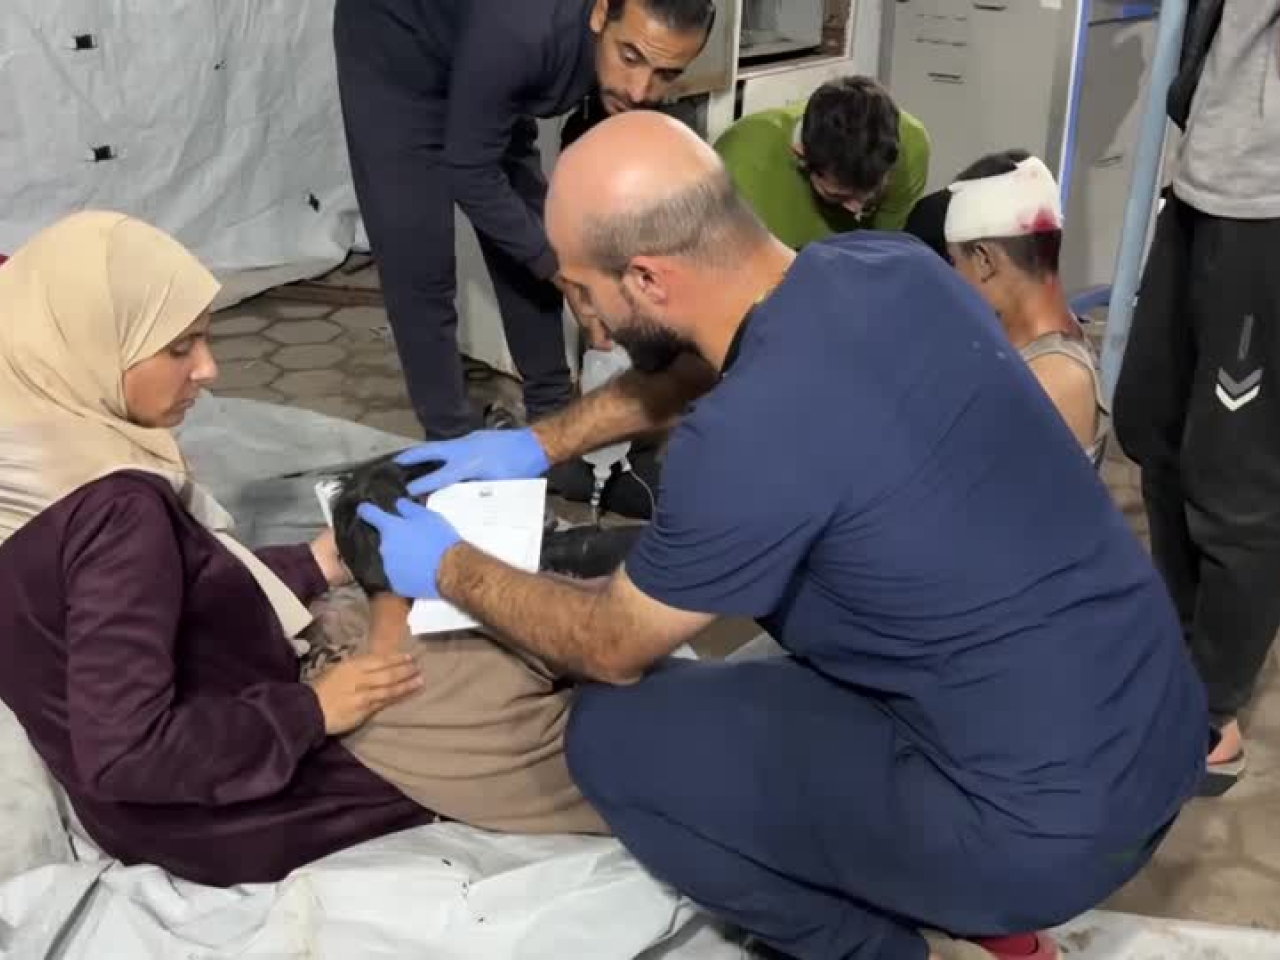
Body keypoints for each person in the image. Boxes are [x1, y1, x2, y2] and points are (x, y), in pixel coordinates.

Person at [355, 113, 1207, 960]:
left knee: (612, 736)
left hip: (1040, 837)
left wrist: (448, 564)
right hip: (1156, 737)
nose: (591, 324)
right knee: (797, 653)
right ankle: (977, 900)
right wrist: (537, 445)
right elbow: (705, 360)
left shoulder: (743, 441)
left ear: (649, 278)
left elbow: (608, 642)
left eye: (583, 291)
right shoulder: (889, 267)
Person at [0, 213, 607, 890]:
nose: (209, 368)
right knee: (524, 703)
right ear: (93, 348)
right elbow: (126, 754)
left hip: (184, 779)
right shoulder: (118, 514)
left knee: (493, 626)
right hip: (231, 809)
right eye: (180, 348)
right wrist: (314, 709)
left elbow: (170, 605)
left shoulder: (35, 457)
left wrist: (316, 563)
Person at [333, 0, 715, 439]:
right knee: (418, 254)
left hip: (487, 48)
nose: (639, 91)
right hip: (396, 44)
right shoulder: (524, 33)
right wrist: (565, 271)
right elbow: (469, 172)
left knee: (533, 225)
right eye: (629, 57)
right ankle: (451, 444)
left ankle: (551, 418)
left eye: (666, 73)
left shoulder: (603, 43)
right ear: (600, 13)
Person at [1113, 0, 1277, 795]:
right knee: (1155, 428)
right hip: (1206, 180)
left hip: (1269, 214)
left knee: (1237, 479)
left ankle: (1212, 709)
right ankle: (1179, 652)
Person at [904, 151, 1108, 466]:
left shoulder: (1053, 379)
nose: (954, 277)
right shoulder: (1032, 343)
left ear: (985, 260)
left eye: (956, 263)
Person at [713, 75, 930, 250]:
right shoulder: (742, 161)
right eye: (838, 195)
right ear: (800, 154)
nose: (858, 209)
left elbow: (881, 250)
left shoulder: (912, 146)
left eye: (872, 192)